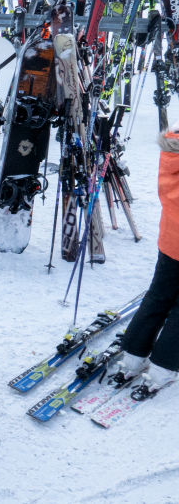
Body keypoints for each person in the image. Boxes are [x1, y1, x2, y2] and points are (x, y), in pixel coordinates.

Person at [107, 122, 179, 399]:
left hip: (171, 241)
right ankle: (162, 369)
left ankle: (133, 357)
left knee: (158, 297)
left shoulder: (172, 149)